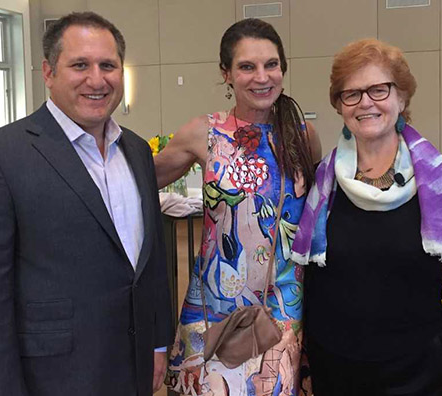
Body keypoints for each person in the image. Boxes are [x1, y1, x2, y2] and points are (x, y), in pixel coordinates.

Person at [0, 12, 172, 396]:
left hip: (132, 368)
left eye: (108, 65)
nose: (96, 79)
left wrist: (157, 343)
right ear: (48, 73)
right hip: (51, 379)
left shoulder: (135, 150)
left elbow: (150, 263)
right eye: (79, 65)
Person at [291, 39, 442, 395]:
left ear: (402, 99)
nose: (365, 102)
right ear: (339, 107)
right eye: (351, 93)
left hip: (417, 369)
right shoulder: (320, 182)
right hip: (333, 368)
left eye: (379, 89)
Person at [154, 18, 321, 396]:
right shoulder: (204, 133)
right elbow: (139, 183)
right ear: (226, 74)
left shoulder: (302, 135)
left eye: (271, 64)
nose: (261, 77)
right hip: (213, 306)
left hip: (280, 306)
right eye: (247, 66)